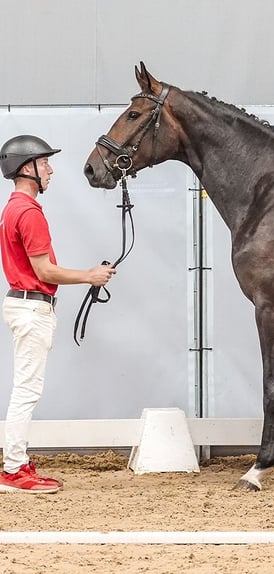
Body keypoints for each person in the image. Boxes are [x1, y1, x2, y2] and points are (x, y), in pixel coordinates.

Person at [0, 135, 115, 493]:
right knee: (27, 391)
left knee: (26, 388)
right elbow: (46, 271)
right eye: (44, 163)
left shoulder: (13, 208)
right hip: (32, 305)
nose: (50, 169)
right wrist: (89, 275)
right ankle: (14, 469)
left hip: (24, 303)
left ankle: (16, 462)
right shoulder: (29, 213)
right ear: (27, 168)